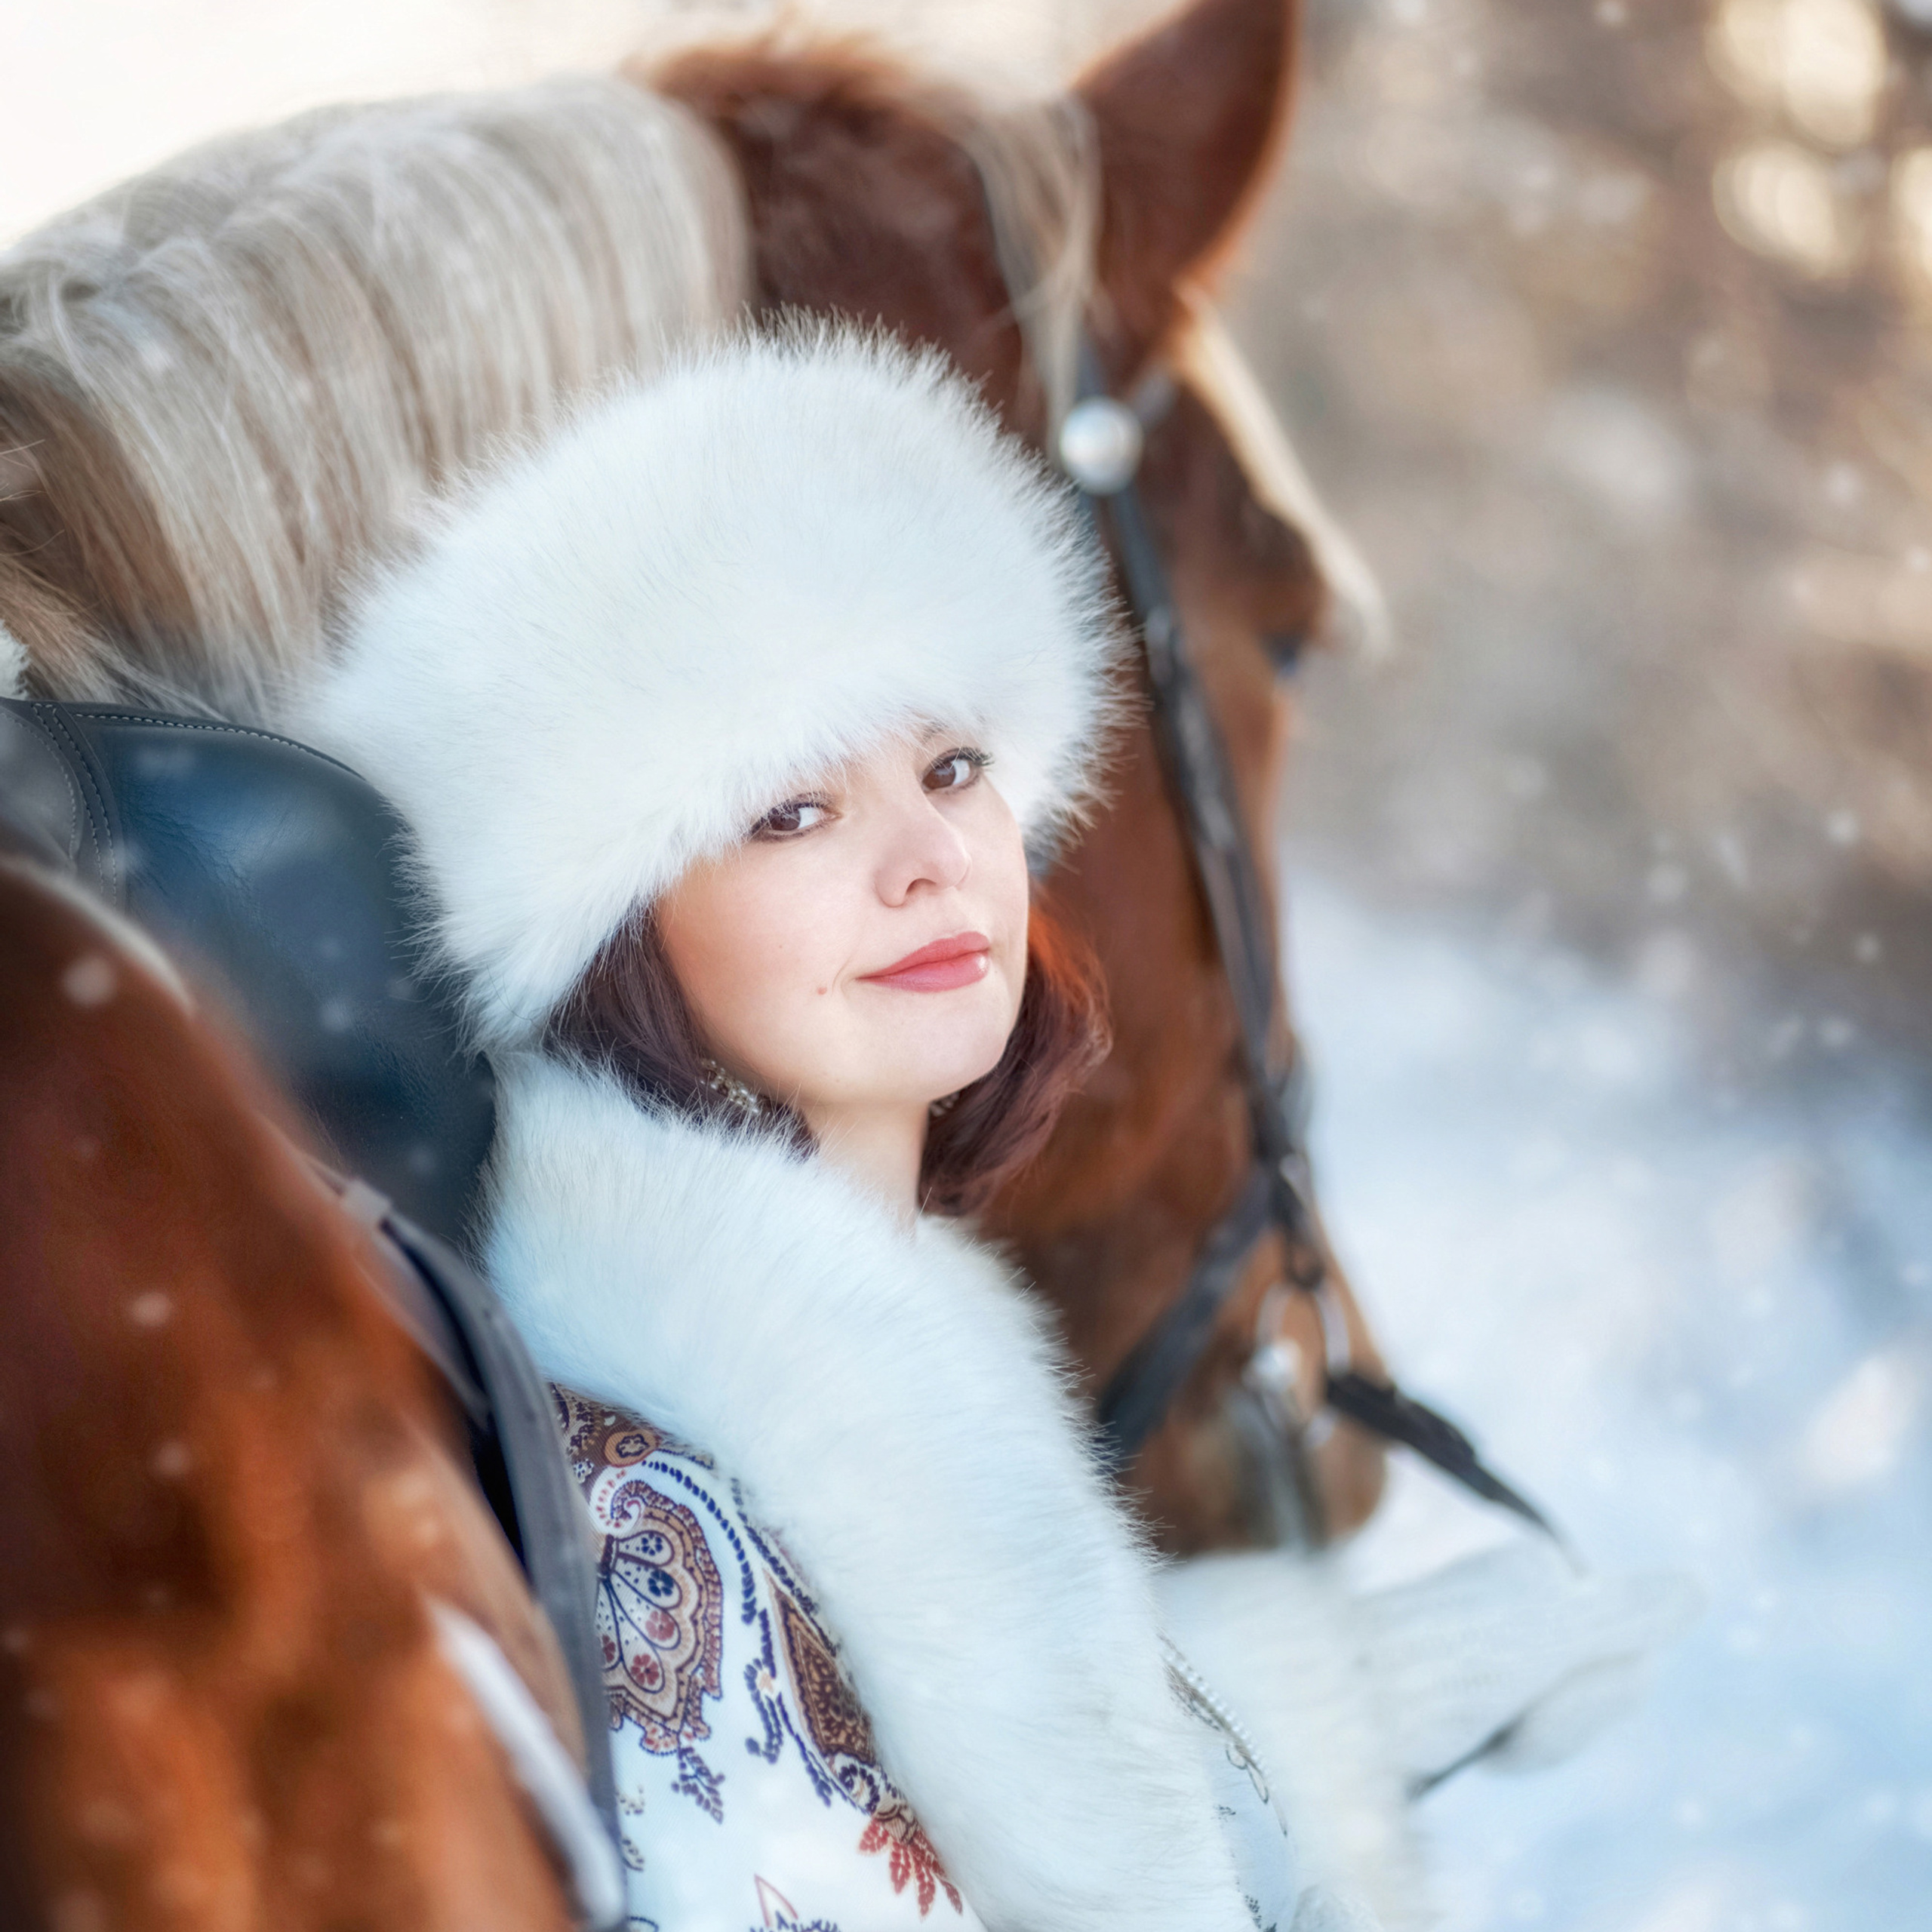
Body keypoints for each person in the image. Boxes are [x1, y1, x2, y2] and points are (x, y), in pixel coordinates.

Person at [307, 328, 1690, 1932]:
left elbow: (955, 1766)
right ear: (613, 928)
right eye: (791, 809)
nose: (929, 860)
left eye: (952, 767)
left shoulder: (841, 1366)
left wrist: (1364, 1695)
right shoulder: (638, 1505)